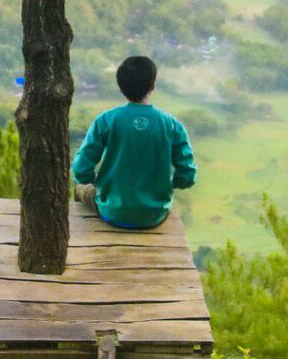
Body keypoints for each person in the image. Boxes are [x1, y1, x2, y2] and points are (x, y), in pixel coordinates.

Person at [72, 55, 197, 229]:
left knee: (80, 188)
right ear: (152, 85)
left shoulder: (106, 120)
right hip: (155, 215)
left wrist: (96, 184)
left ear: (121, 86)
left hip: (111, 212)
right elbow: (187, 176)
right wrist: (165, 184)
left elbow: (80, 169)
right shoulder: (172, 125)